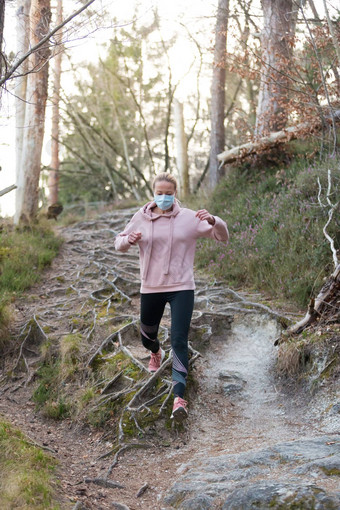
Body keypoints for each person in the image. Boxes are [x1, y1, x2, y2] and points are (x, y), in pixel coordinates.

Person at [114, 173, 229, 422]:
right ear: (153, 192)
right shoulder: (141, 218)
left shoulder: (189, 218)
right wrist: (128, 240)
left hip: (182, 288)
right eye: (160, 192)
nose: (164, 197)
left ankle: (179, 397)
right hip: (151, 286)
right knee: (147, 336)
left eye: (169, 193)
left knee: (178, 339)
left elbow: (222, 237)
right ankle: (155, 352)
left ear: (175, 193)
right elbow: (118, 242)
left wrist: (214, 220)